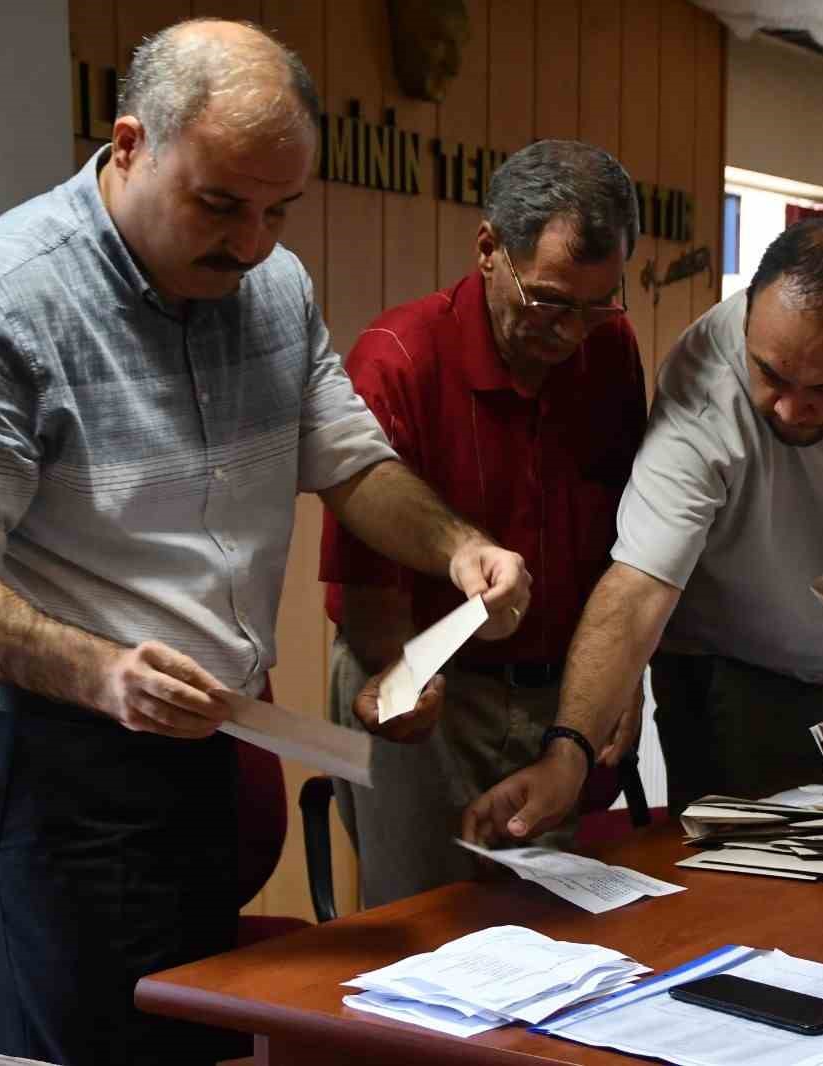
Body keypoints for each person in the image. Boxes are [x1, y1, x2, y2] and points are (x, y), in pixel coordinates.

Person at [0, 19, 529, 1066]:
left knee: (195, 1049)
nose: (251, 242)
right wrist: (99, 671)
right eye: (220, 205)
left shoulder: (271, 285)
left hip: (212, 757)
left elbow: (352, 461)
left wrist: (456, 547)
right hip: (56, 766)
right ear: (130, 143)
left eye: (279, 210)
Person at [465, 218, 823, 841]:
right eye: (771, 373)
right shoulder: (703, 379)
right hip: (725, 662)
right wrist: (567, 755)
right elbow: (640, 582)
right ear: (748, 320)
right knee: (749, 875)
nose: (789, 408)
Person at [320, 139, 647, 905]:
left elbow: (631, 532)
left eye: (597, 305)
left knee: (555, 931)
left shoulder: (609, 348)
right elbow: (365, 582)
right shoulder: (398, 359)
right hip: (423, 678)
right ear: (488, 249)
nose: (571, 332)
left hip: (561, 689)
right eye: (549, 303)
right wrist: (402, 681)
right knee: (426, 930)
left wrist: (623, 677)